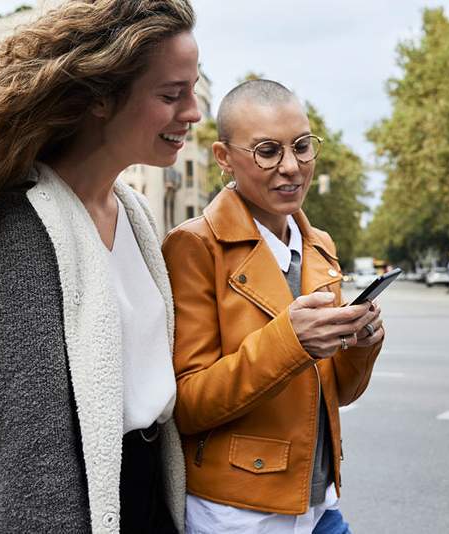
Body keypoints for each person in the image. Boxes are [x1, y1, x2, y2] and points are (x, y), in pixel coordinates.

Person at [0, 1, 200, 532]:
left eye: (191, 90)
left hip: (140, 493)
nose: (192, 111)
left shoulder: (134, 211)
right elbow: (26, 453)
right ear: (101, 97)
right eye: (171, 95)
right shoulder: (16, 229)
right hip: (64, 505)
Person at [162, 80, 385, 534]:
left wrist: (361, 344)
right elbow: (186, 404)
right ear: (224, 158)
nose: (292, 167)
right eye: (267, 151)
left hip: (319, 503)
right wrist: (291, 340)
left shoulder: (319, 245)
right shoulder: (194, 246)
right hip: (238, 514)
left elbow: (337, 394)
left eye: (302, 147)